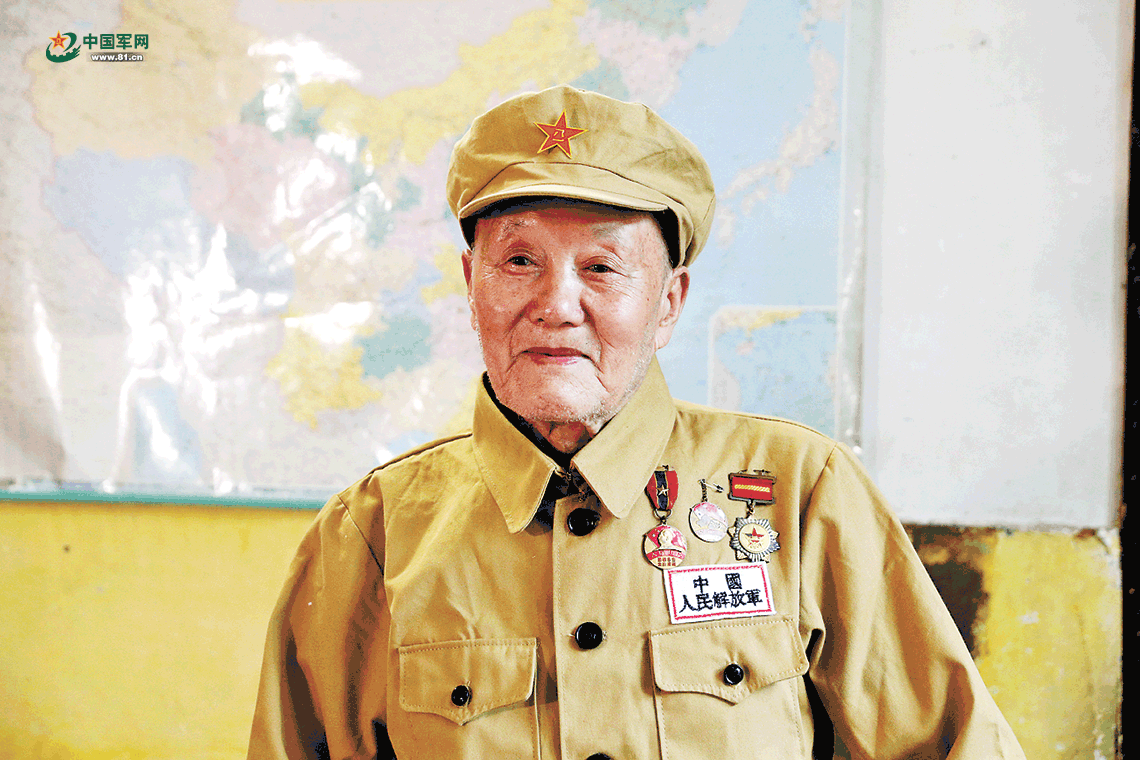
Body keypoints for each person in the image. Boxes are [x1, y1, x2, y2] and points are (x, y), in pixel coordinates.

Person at [247, 85, 1026, 760]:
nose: (556, 304)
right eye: (519, 261)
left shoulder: (800, 492)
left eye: (601, 267)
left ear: (669, 303)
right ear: (471, 285)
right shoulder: (372, 532)